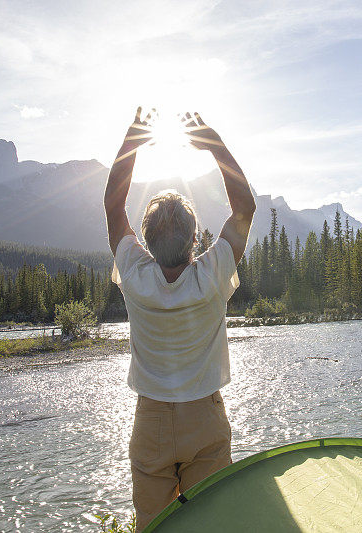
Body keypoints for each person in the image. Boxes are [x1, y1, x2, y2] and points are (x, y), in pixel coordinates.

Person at [104, 107, 256, 532]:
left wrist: (134, 139)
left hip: (150, 419)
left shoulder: (134, 276)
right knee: (211, 524)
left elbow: (113, 205)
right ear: (195, 240)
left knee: (152, 527)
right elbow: (245, 207)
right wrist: (212, 143)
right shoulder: (211, 276)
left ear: (146, 241)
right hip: (204, 417)